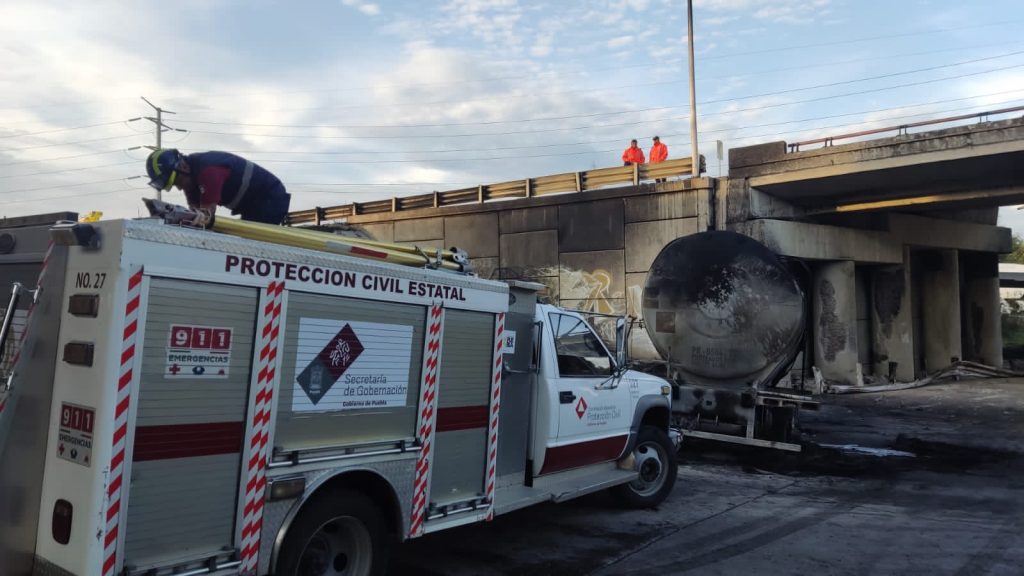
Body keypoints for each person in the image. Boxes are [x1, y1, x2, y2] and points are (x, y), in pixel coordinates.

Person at [145, 149, 291, 225]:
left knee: (252, 246)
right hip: (253, 205)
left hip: (271, 199)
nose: (179, 187)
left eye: (177, 181)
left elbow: (205, 216)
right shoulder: (189, 178)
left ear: (183, 166)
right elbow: (195, 214)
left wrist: (195, 219)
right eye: (173, 185)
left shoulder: (209, 171)